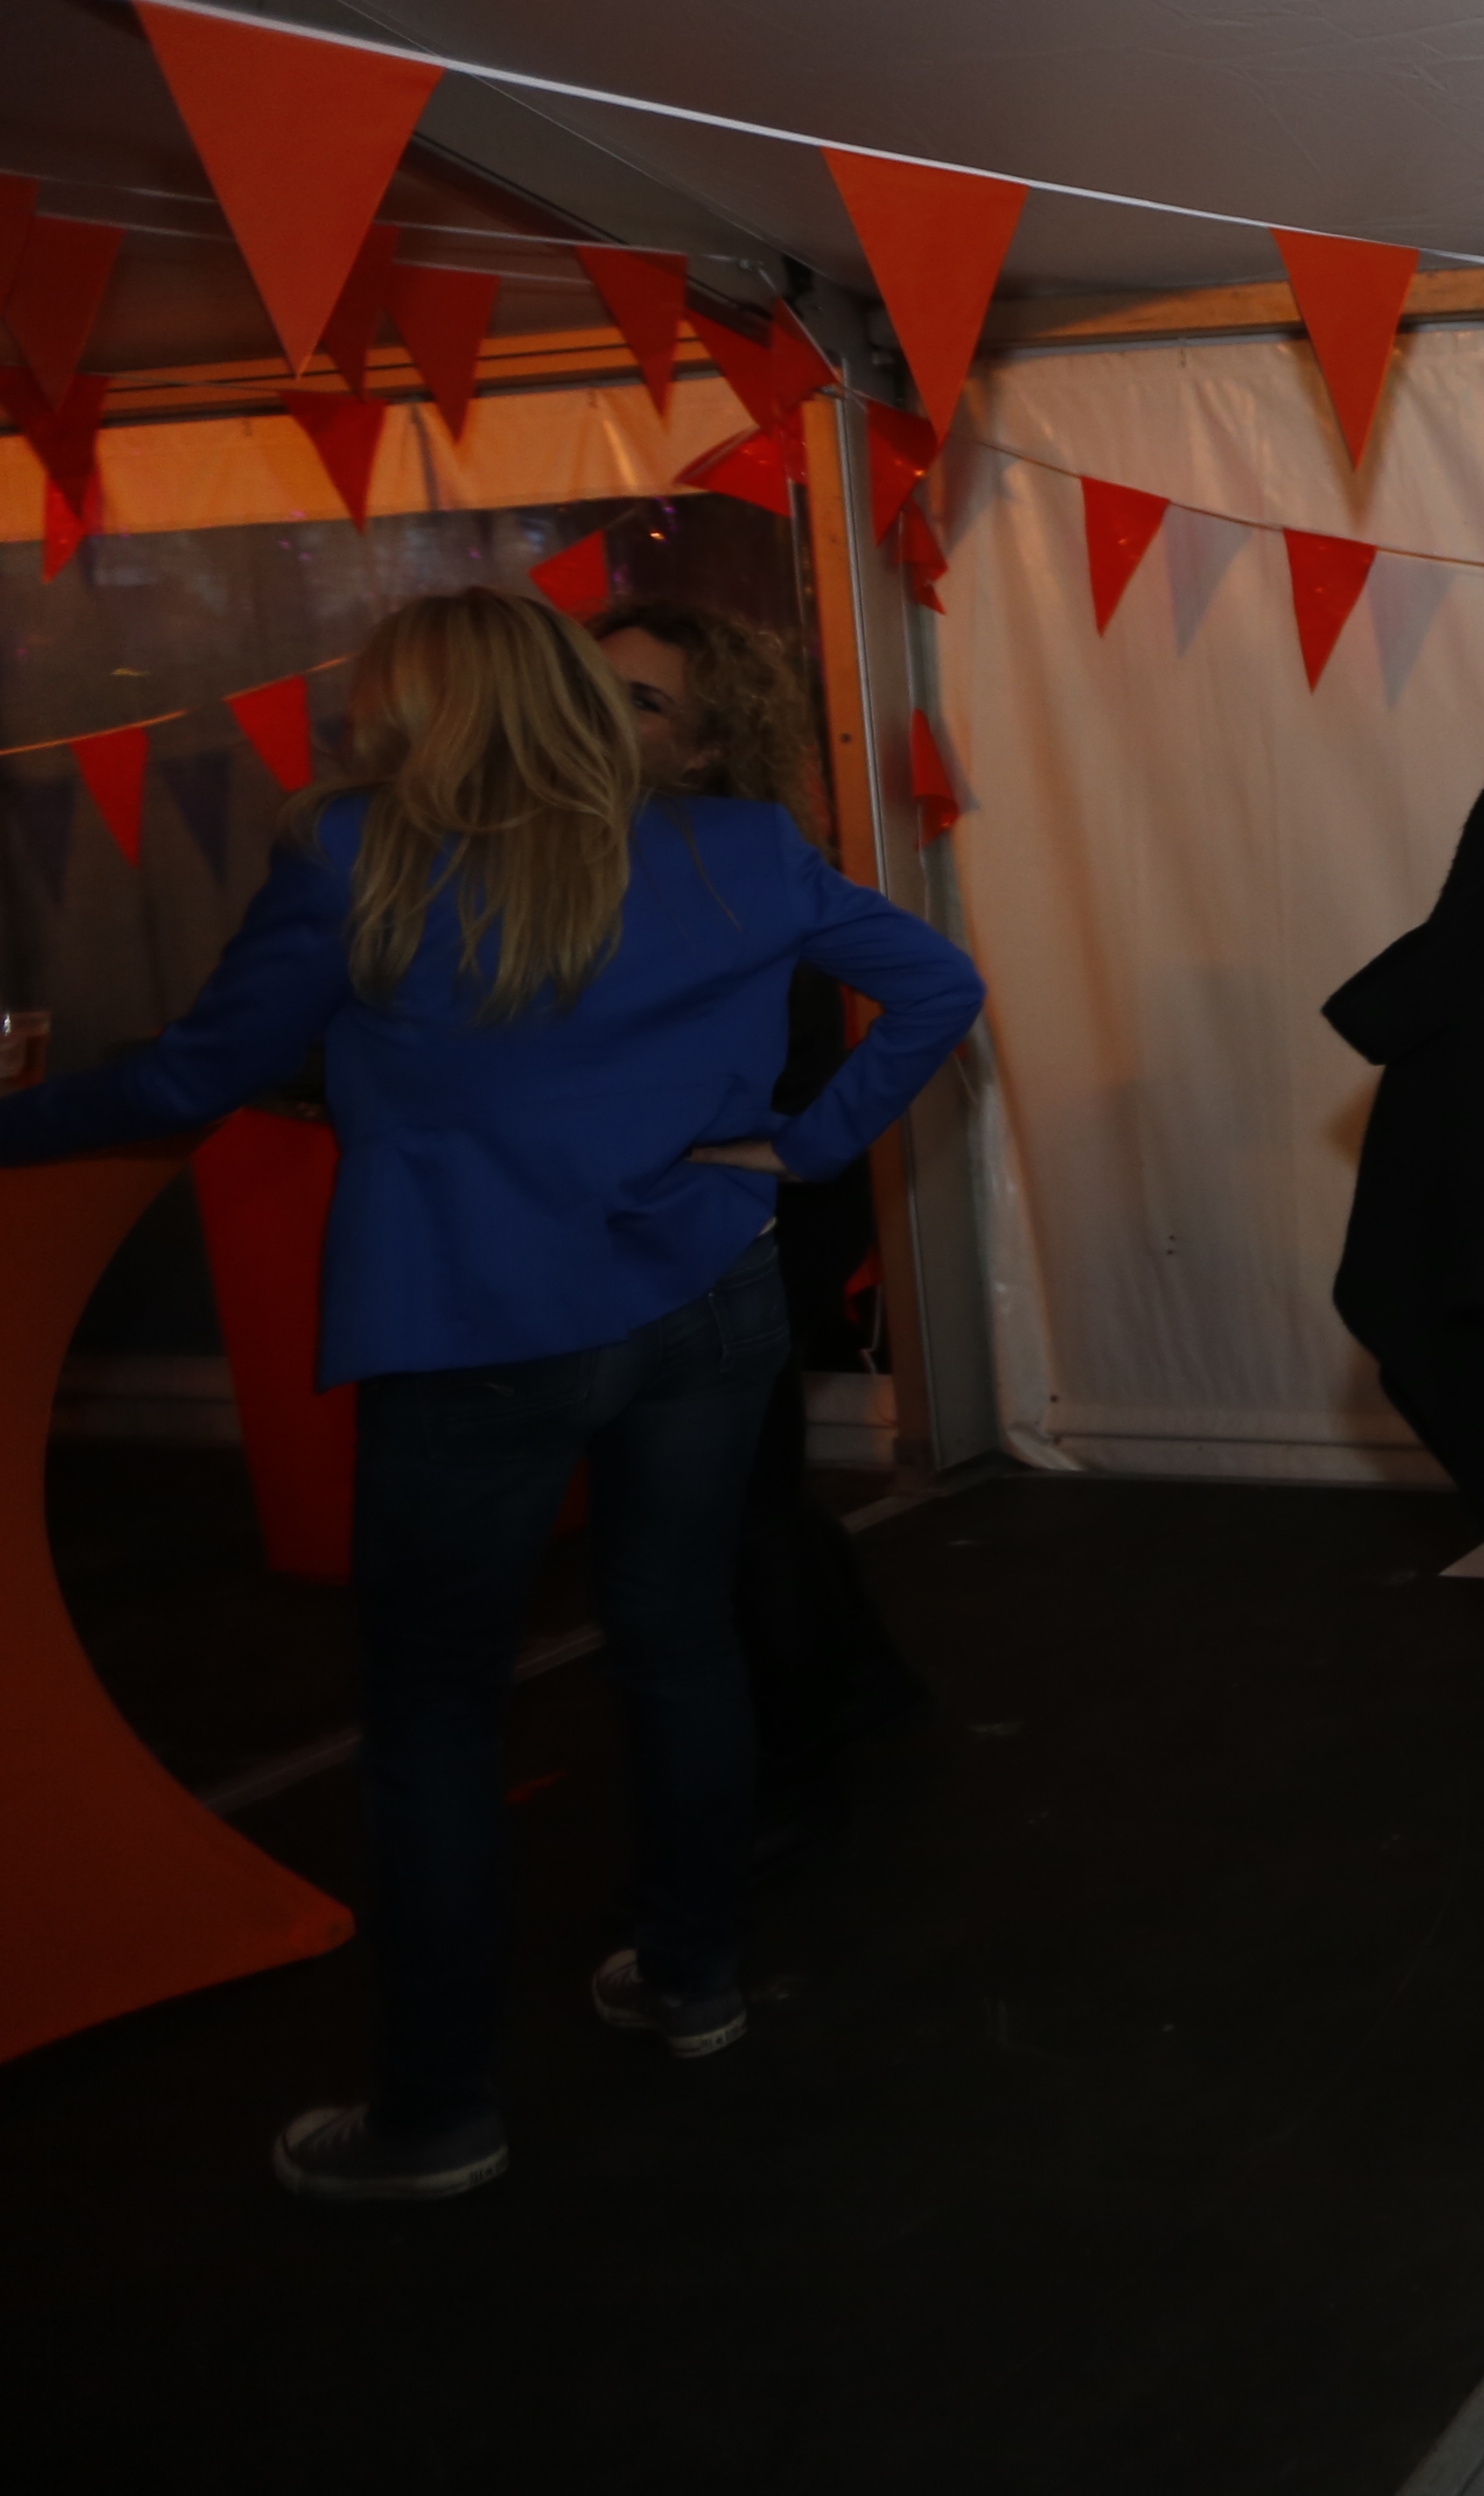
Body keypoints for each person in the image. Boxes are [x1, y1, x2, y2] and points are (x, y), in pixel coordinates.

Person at [0, 586, 980, 2203]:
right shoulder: (732, 845)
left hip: (478, 1331)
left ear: (416, 708)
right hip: (701, 1298)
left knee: (437, 1723)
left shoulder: (358, 851)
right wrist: (802, 1151)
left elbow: (191, 1075)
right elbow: (939, 985)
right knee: (679, 1645)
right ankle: (693, 1980)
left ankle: (438, 2114)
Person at [589, 598, 931, 1832]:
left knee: (732, 1506)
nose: (598, 714)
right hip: (710, 1211)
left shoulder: (725, 862)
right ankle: (855, 1694)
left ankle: (789, 1772)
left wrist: (803, 1149)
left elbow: (933, 996)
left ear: (707, 747)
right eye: (587, 685)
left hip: (755, 1211)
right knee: (748, 1490)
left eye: (640, 700)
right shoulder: (594, 851)